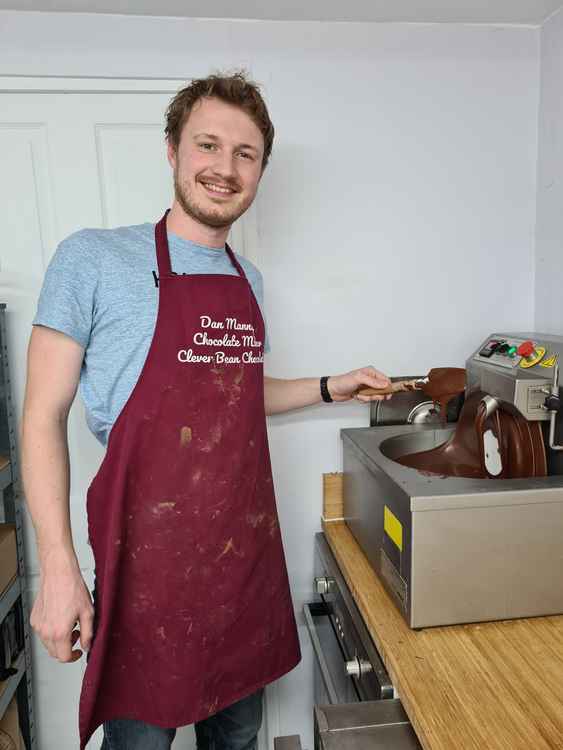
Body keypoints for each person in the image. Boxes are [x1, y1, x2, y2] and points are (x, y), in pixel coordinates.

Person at [21, 71, 391, 750]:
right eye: (208, 145)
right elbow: (41, 417)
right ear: (172, 150)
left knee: (237, 740)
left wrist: (329, 386)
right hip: (145, 573)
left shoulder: (246, 281)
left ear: (260, 170)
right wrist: (60, 569)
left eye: (244, 154)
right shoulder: (93, 259)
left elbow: (238, 391)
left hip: (239, 565)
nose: (224, 168)